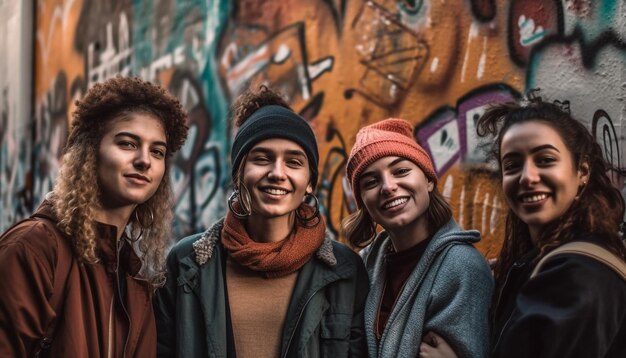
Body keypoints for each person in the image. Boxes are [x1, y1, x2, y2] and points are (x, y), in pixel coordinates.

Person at [154, 85, 369, 357]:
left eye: (293, 162)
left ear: (310, 183)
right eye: (262, 158)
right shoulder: (186, 264)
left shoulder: (344, 271)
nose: (277, 173)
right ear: (239, 174)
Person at [0, 76, 189, 357]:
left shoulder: (136, 279)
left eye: (157, 151)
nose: (144, 160)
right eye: (127, 143)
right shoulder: (35, 248)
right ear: (90, 152)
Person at [476, 93, 626, 357]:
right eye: (512, 165)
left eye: (545, 160)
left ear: (582, 172)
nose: (527, 177)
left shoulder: (577, 276)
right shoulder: (546, 263)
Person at [343, 118, 494, 358]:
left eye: (401, 171)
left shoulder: (461, 267)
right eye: (371, 182)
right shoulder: (363, 267)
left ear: (429, 180)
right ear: (363, 202)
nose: (388, 187)